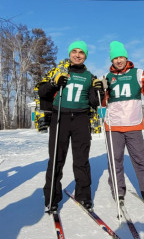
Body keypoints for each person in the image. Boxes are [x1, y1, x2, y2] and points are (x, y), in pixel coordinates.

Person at [39, 41, 104, 213]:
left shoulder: (90, 76)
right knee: (56, 159)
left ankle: (84, 196)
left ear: (85, 56)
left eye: (81, 52)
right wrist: (54, 82)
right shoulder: (59, 70)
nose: (77, 55)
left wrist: (100, 91)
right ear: (69, 54)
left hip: (81, 119)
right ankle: (51, 199)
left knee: (81, 160)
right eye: (74, 51)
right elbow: (42, 92)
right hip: (60, 117)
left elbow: (95, 102)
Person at [101, 41, 144, 212]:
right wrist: (101, 90)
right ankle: (118, 191)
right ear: (112, 60)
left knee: (140, 160)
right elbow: (102, 102)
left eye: (121, 57)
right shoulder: (107, 77)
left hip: (133, 124)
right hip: (113, 126)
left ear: (126, 57)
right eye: (115, 58)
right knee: (115, 161)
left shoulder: (138, 73)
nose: (118, 60)